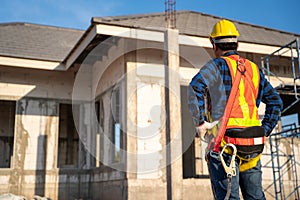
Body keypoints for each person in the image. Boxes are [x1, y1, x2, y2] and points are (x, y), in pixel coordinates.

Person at [188, 19, 283, 200]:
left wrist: (200, 122)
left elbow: (195, 88)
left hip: (225, 144)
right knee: (255, 197)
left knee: (229, 198)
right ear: (237, 44)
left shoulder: (217, 65)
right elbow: (276, 102)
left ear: (213, 43)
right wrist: (264, 130)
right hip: (252, 145)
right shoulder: (254, 70)